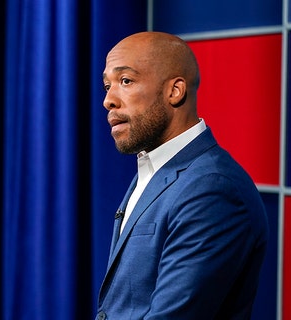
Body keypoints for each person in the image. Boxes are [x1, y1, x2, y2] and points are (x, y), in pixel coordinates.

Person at [96, 32, 268, 319]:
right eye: (106, 85)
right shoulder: (153, 166)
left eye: (126, 81)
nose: (108, 100)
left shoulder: (213, 189)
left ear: (175, 91)